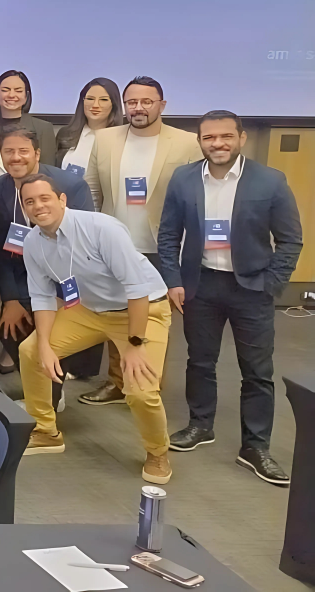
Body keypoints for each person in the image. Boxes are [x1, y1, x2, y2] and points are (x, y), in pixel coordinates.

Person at [159, 111, 302, 486]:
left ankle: (255, 447)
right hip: (201, 284)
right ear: (199, 142)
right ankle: (200, 425)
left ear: (241, 138)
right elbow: (168, 235)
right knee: (199, 361)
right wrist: (173, 280)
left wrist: (272, 283)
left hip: (252, 287)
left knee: (257, 371)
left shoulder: (270, 180)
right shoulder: (184, 178)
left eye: (225, 136)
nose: (217, 144)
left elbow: (290, 239)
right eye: (209, 138)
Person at [17, 173, 174, 485]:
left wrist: (134, 343)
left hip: (143, 309)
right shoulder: (33, 242)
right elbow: (42, 296)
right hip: (89, 310)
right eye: (30, 201)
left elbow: (136, 288)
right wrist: (45, 345)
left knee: (141, 391)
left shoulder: (101, 228)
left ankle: (158, 452)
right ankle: (45, 430)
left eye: (45, 198)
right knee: (31, 351)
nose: (38, 206)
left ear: (62, 200)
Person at [80, 76, 201, 406]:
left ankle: (147, 385)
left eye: (147, 102)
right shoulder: (105, 139)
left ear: (162, 105)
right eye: (132, 102)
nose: (138, 108)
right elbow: (92, 190)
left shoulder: (186, 143)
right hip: (114, 244)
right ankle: (117, 382)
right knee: (116, 313)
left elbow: (194, 198)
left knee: (156, 319)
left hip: (163, 247)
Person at [0, 128, 95, 390]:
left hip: (66, 279)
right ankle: (37, 388)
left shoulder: (70, 186)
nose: (16, 157)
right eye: (8, 151)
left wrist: (58, 300)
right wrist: (11, 300)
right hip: (22, 280)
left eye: (23, 151)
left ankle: (51, 395)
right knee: (10, 326)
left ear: (37, 153)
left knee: (54, 333)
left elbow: (83, 249)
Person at [0, 70, 59, 168]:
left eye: (18, 91)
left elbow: (48, 168)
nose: (11, 95)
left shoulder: (43, 128)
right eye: (5, 90)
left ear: (26, 96)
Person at [55, 78, 124, 176]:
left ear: (114, 104)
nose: (95, 105)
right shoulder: (65, 134)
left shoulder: (122, 139)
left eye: (103, 100)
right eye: (90, 99)